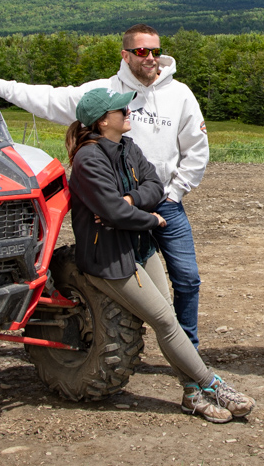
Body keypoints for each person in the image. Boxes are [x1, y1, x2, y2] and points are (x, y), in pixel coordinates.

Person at [0, 24, 210, 346]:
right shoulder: (105, 92)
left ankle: (188, 345)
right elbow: (49, 99)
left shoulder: (180, 95)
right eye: (141, 51)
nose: (150, 58)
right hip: (116, 208)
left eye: (155, 51)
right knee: (124, 279)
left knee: (187, 279)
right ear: (126, 55)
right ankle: (120, 340)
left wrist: (175, 192)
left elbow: (197, 150)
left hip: (163, 201)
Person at [65, 87, 253, 424]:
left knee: (168, 320)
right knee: (165, 321)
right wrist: (150, 219)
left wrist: (131, 202)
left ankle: (191, 394)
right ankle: (214, 386)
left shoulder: (128, 147)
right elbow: (112, 212)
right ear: (103, 121)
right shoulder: (88, 159)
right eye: (121, 110)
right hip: (110, 258)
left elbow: (154, 187)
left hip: (139, 246)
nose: (129, 113)